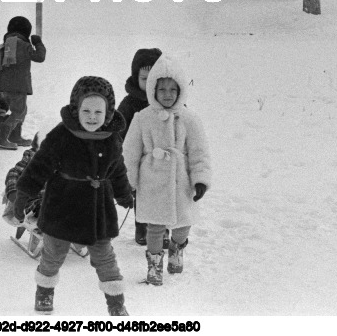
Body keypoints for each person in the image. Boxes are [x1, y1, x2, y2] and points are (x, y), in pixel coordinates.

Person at [13, 76, 132, 316]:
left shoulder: (111, 138)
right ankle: (44, 291)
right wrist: (24, 193)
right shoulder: (62, 135)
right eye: (86, 110)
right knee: (54, 252)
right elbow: (39, 165)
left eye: (98, 111)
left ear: (108, 113)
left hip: (98, 208)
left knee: (104, 255)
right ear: (76, 109)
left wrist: (123, 193)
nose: (91, 116)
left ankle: (116, 302)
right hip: (63, 205)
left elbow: (117, 169)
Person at [122, 56, 211, 286]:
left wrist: (200, 179)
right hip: (152, 179)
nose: (168, 94)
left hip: (181, 181)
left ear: (181, 90)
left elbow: (199, 151)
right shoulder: (142, 118)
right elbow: (130, 152)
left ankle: (176, 248)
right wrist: (128, 181)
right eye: (162, 89)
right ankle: (154, 265)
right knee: (154, 225)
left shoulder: (189, 119)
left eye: (173, 89)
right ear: (153, 89)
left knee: (184, 224)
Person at [117, 48, 162, 246]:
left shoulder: (169, 101)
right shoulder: (129, 104)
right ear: (136, 78)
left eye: (155, 77)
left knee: (164, 194)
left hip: (163, 162)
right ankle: (141, 227)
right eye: (145, 78)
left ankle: (163, 228)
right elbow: (117, 129)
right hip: (139, 160)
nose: (150, 83)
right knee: (142, 195)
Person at [0, 16, 46, 150]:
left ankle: (15, 136)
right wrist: (37, 43)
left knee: (20, 111)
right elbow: (40, 57)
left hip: (5, 86)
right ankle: (1, 138)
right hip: (19, 85)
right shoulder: (25, 45)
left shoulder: (6, 45)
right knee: (18, 112)